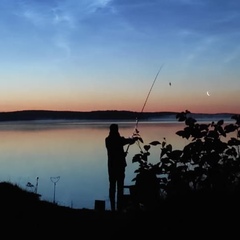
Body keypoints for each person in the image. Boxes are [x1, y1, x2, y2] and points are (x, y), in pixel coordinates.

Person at [105, 123, 136, 212]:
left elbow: (116, 149)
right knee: (120, 187)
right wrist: (133, 138)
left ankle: (112, 208)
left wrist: (122, 154)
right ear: (117, 130)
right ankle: (119, 208)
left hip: (111, 166)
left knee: (112, 186)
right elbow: (129, 141)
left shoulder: (107, 140)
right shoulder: (119, 140)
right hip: (119, 166)